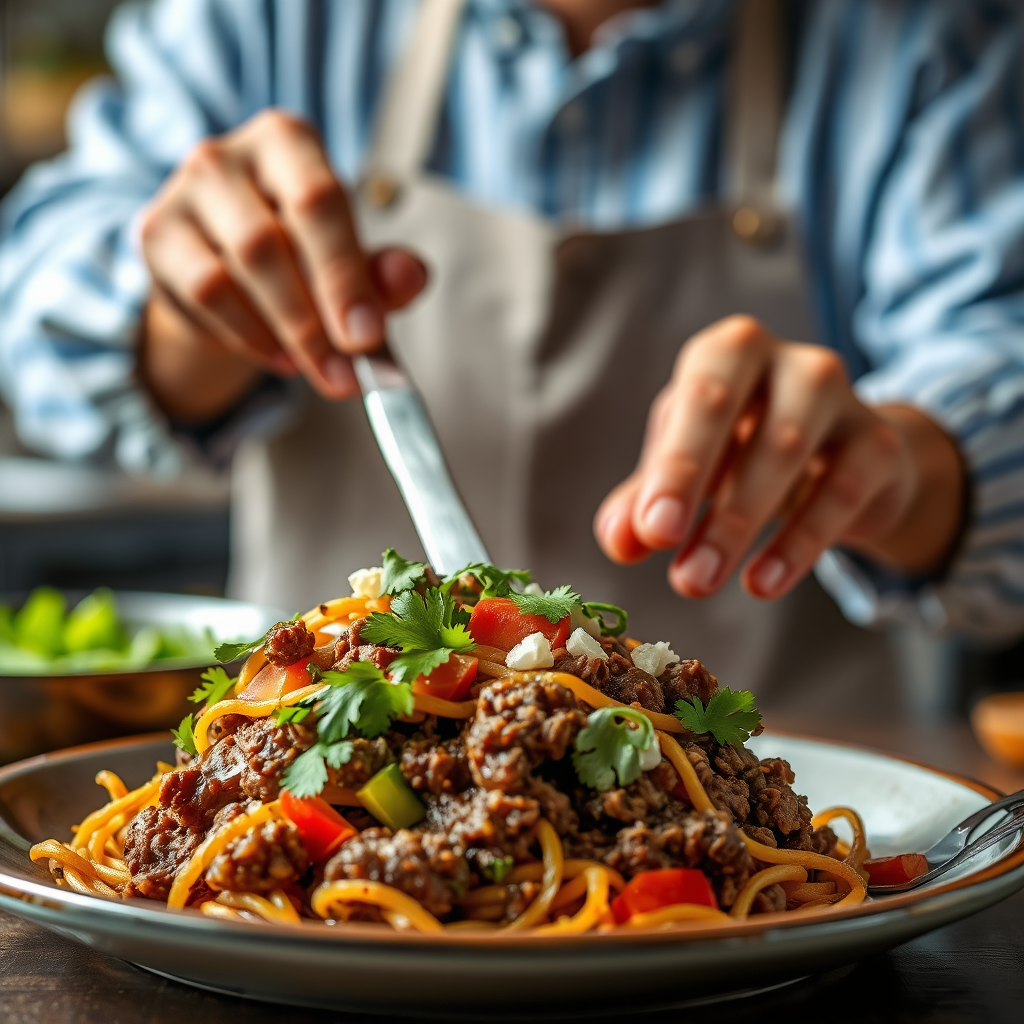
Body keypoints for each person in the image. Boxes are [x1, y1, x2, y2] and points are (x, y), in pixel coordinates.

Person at [1, 0, 1023, 710]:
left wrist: (897, 467)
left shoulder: (937, 39)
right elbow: (33, 330)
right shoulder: (261, 18)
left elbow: (995, 347)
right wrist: (189, 314)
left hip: (780, 824)